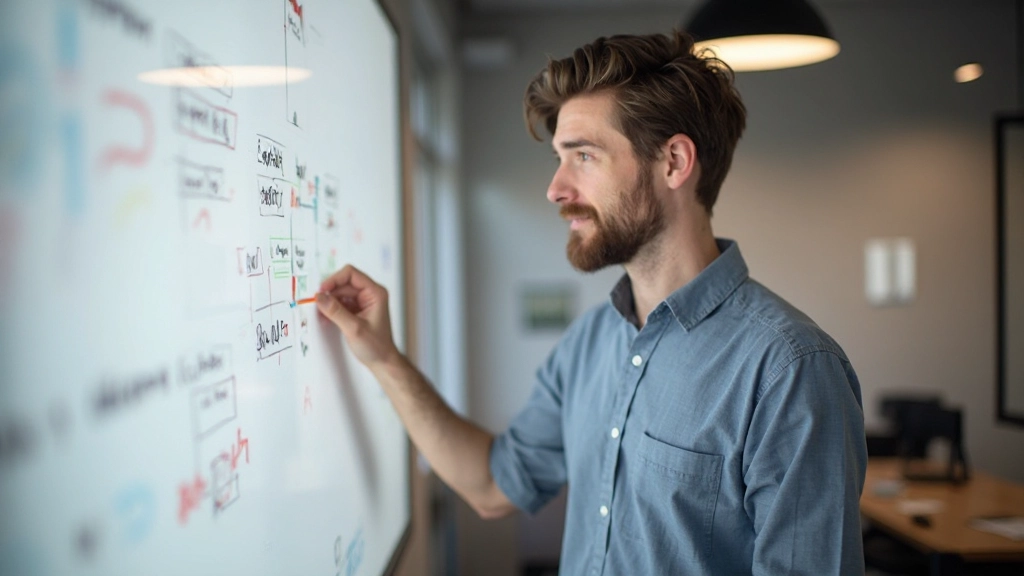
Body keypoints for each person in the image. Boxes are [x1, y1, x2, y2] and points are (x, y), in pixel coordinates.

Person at [316, 29, 867, 575]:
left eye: (583, 155)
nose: (556, 188)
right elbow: (491, 485)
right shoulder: (590, 342)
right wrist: (383, 356)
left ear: (673, 162)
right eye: (559, 157)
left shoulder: (790, 371)